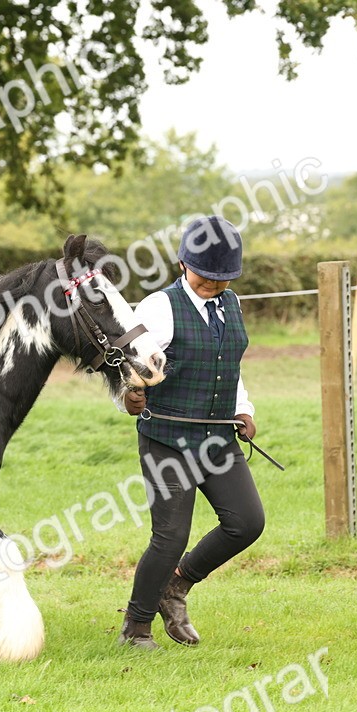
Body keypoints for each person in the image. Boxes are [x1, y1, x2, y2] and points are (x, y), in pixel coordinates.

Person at [119, 215, 266, 650]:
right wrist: (128, 396)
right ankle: (136, 626)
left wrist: (243, 409)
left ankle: (176, 586)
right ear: (183, 263)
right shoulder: (158, 308)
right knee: (170, 536)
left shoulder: (231, 304)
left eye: (223, 279)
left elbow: (230, 366)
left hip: (218, 436)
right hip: (167, 436)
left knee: (246, 523)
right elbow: (125, 365)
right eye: (206, 276)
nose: (214, 286)